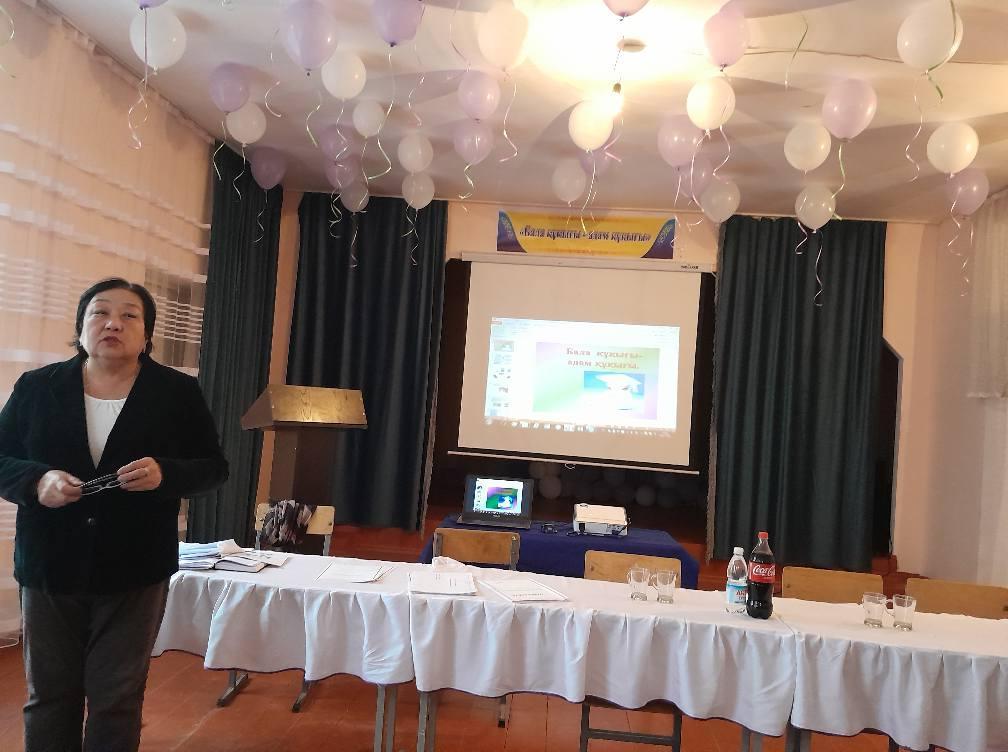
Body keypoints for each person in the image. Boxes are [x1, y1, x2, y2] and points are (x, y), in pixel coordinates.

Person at [0, 278, 229, 752]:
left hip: (135, 566)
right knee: (49, 695)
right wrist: (36, 481)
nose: (113, 324)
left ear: (147, 333)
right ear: (81, 326)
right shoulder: (38, 387)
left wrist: (166, 473)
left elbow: (213, 468)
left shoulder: (177, 392)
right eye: (100, 312)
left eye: (129, 315)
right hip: (50, 563)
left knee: (117, 697)